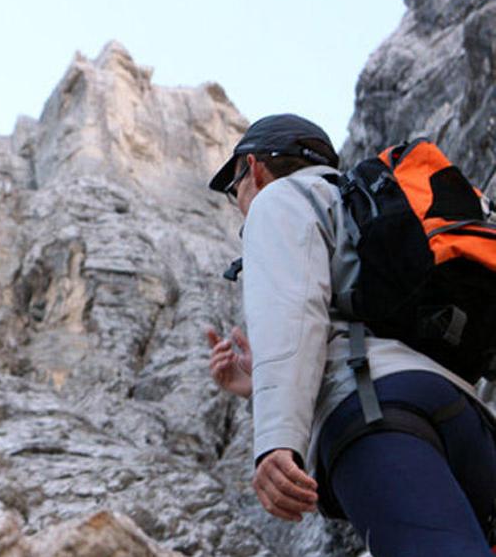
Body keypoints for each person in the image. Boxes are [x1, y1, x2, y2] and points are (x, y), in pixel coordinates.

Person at [205, 114, 496, 555]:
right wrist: (256, 385)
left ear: (254, 169)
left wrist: (278, 439)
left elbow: (294, 313)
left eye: (235, 188)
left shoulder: (279, 200)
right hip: (465, 417)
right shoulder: (368, 209)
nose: (240, 202)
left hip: (376, 413)